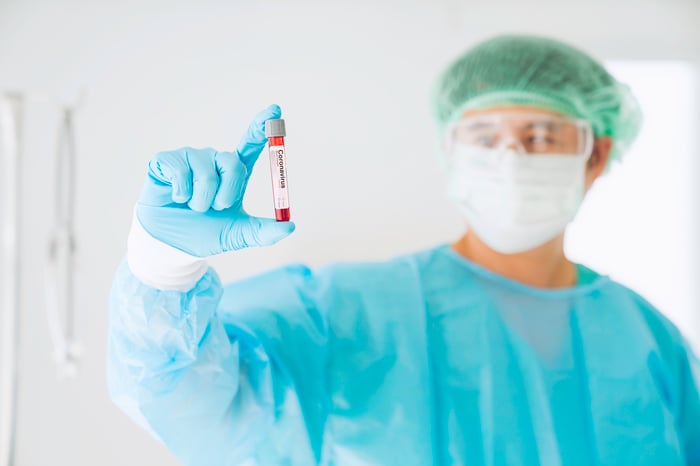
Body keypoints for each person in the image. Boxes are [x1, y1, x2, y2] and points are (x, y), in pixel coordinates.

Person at [107, 35, 700, 465]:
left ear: (594, 154)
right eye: (485, 137)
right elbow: (193, 408)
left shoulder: (652, 344)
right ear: (453, 152)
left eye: (541, 136)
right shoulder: (337, 311)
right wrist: (162, 264)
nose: (510, 159)